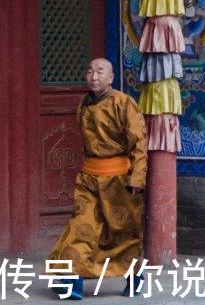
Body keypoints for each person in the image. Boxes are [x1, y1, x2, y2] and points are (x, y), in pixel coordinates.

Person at [49, 58, 147, 300]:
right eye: (90, 71)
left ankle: (135, 278)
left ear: (111, 77)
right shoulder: (84, 103)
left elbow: (139, 143)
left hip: (119, 181)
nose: (93, 76)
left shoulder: (124, 104)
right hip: (89, 179)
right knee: (80, 229)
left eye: (100, 72)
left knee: (123, 232)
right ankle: (73, 284)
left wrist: (137, 177)